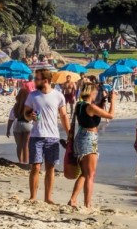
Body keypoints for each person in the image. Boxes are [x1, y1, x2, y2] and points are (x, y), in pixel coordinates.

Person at [23, 70, 70, 204]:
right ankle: (33, 196)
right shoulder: (32, 96)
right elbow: (25, 113)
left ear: (45, 80)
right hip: (36, 136)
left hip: (53, 137)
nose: (35, 81)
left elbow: (63, 116)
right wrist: (29, 116)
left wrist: (69, 134)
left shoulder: (58, 96)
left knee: (50, 168)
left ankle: (48, 197)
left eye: (37, 79)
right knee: (35, 167)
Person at [67, 82, 115, 210]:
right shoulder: (90, 107)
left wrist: (102, 103)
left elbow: (92, 117)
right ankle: (87, 204)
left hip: (80, 136)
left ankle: (73, 199)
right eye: (95, 92)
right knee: (90, 175)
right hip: (89, 138)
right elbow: (110, 115)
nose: (96, 94)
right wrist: (113, 100)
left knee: (85, 173)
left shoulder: (79, 105)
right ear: (91, 92)